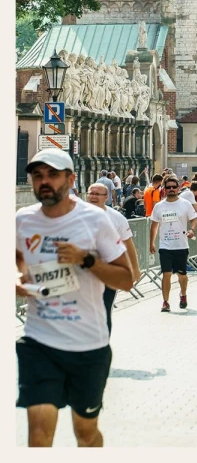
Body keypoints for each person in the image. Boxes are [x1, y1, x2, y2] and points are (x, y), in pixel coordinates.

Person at [16, 149, 134, 447]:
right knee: (39, 433)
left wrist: (86, 260)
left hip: (88, 345)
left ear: (70, 179)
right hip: (39, 342)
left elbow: (127, 279)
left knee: (85, 433)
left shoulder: (95, 220)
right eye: (38, 175)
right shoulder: (23, 220)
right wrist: (18, 280)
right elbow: (16, 262)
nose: (44, 181)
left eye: (53, 175)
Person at [84, 182, 140, 333]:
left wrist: (134, 269)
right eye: (91, 193)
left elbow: (128, 244)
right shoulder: (76, 215)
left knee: (104, 308)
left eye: (97, 194)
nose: (93, 197)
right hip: (82, 272)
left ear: (106, 197)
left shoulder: (117, 218)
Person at [148, 175, 197, 312]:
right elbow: (154, 226)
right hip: (165, 246)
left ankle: (183, 294)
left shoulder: (185, 204)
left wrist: (192, 230)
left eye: (174, 187)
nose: (171, 189)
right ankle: (165, 301)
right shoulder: (159, 206)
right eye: (168, 187)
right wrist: (152, 243)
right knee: (166, 273)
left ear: (178, 188)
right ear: (164, 188)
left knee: (182, 275)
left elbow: (194, 219)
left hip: (181, 245)